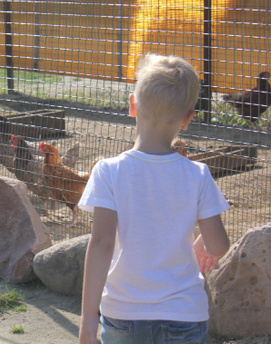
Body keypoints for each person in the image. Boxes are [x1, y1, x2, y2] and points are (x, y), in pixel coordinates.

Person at [78, 53, 230, 344]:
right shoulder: (198, 174)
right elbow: (219, 246)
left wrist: (88, 322)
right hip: (184, 315)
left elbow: (101, 244)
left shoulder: (109, 171)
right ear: (188, 119)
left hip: (123, 315)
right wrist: (201, 243)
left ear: (133, 105)